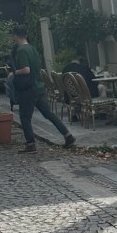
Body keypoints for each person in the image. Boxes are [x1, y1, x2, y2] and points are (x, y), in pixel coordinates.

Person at [10, 23, 75, 153]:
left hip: (28, 89)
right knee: (48, 113)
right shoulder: (33, 49)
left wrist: (14, 73)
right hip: (39, 87)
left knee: (25, 117)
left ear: (15, 36)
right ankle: (67, 135)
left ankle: (30, 143)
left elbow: (26, 69)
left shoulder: (21, 50)